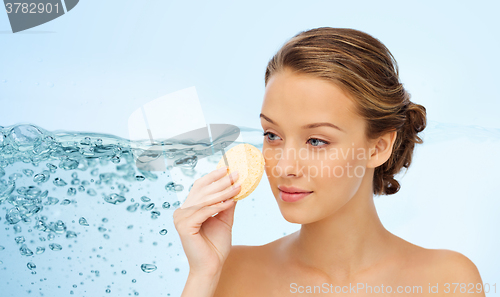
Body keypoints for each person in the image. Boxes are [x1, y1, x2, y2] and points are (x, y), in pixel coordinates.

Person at [174, 27, 485, 297]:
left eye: (316, 141)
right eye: (272, 135)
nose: (284, 167)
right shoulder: (231, 273)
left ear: (378, 147)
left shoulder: (448, 281)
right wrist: (203, 275)